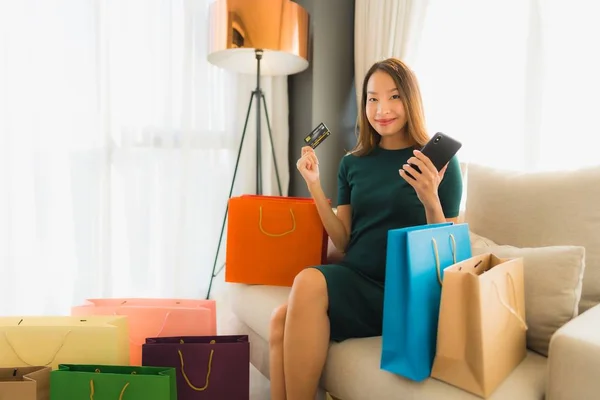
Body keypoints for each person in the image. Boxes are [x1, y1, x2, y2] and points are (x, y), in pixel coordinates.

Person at [268, 58, 463, 400]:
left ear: (410, 101)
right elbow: (343, 240)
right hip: (358, 278)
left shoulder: (438, 163)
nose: (382, 109)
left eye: (394, 97)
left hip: (401, 291)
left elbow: (447, 256)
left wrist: (430, 197)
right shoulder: (352, 163)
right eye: (372, 98)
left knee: (308, 280)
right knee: (278, 322)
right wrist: (313, 185)